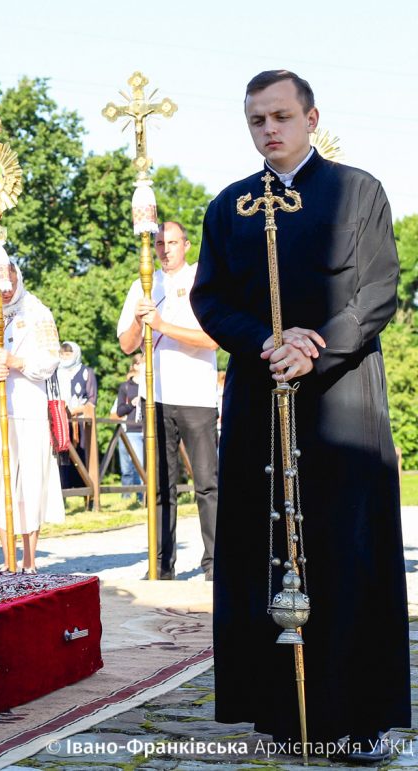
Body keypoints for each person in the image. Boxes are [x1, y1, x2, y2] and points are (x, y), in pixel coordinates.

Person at [190, 70, 408, 760]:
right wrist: (264, 340)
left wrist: (318, 345)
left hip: (340, 400)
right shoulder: (230, 207)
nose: (269, 130)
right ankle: (282, 716)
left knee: (346, 552)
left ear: (312, 117)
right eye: (257, 120)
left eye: (282, 116)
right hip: (263, 397)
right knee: (266, 550)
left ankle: (358, 719)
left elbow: (379, 289)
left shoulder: (359, 190)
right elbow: (210, 297)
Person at [118, 221, 219, 580]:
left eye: (172, 242)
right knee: (160, 486)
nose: (165, 249)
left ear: (186, 245)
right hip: (155, 397)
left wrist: (160, 324)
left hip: (195, 395)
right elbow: (127, 345)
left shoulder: (201, 280)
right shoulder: (142, 285)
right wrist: (138, 318)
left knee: (207, 483)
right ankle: (161, 565)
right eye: (159, 243)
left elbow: (211, 339)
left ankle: (214, 565)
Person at [0, 261, 64, 573]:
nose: (5, 292)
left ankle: (29, 560)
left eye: (9, 285)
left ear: (16, 278)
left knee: (29, 483)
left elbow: (50, 359)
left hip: (28, 409)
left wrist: (16, 361)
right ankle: (7, 558)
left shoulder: (37, 312)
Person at [57, 341, 97, 487]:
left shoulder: (86, 372)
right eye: (63, 354)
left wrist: (74, 411)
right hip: (61, 421)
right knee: (62, 458)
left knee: (83, 456)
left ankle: (87, 493)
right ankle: (64, 491)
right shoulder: (56, 372)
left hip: (81, 422)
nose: (65, 357)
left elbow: (92, 400)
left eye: (68, 353)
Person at [114, 354, 145, 500]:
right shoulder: (126, 386)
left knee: (145, 466)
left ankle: (144, 498)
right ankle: (135, 498)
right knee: (135, 466)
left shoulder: (150, 384)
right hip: (132, 430)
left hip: (148, 429)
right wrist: (131, 404)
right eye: (140, 363)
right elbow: (119, 411)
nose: (143, 366)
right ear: (135, 366)